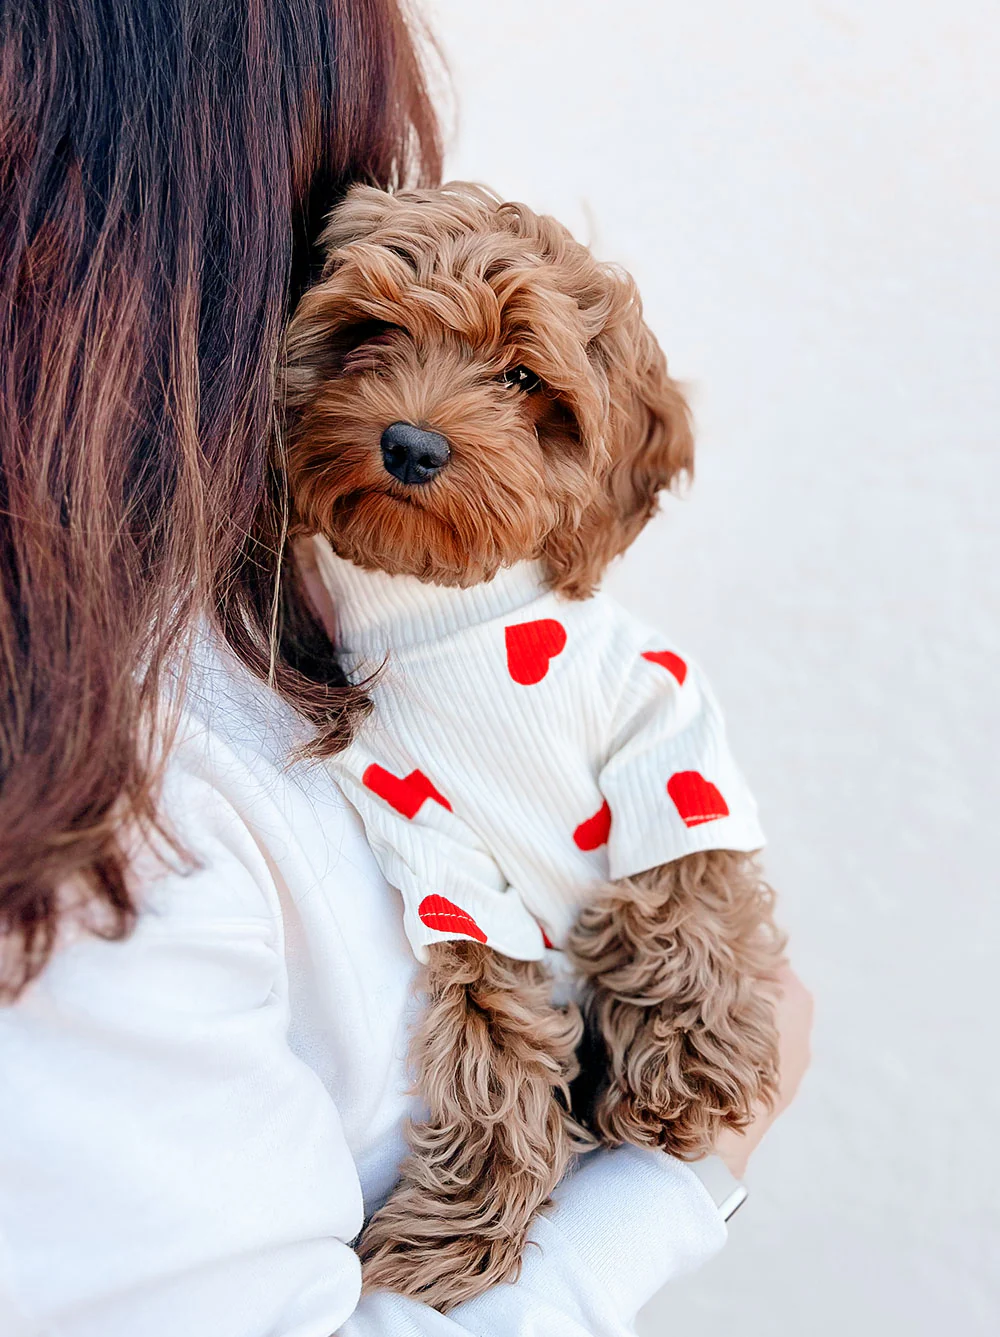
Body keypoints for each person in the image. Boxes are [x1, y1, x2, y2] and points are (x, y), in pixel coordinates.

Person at [0, 3, 814, 1334]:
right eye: (370, 339)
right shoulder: (135, 787)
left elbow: (667, 786)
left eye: (518, 386)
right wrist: (685, 1182)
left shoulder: (316, 643)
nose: (421, 420)